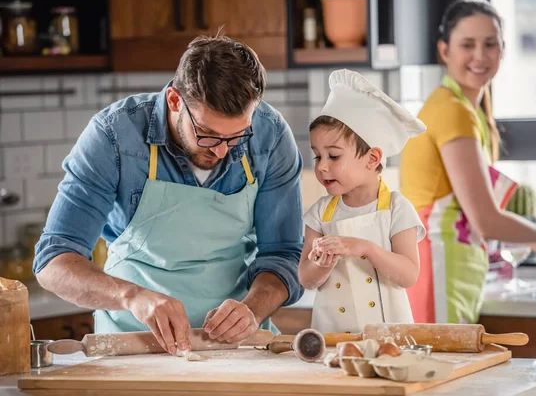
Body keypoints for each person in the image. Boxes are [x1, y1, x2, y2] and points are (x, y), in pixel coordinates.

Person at [33, 34, 305, 355]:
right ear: (175, 101)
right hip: (132, 345)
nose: (220, 151)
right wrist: (132, 297)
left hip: (237, 346)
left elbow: (285, 254)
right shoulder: (113, 136)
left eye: (235, 137)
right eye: (206, 134)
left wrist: (252, 310)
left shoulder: (270, 133)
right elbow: (54, 261)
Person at [400, 0, 536, 325]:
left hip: (452, 274)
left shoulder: (464, 110)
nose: (480, 56)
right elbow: (485, 219)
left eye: (490, 44)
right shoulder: (453, 112)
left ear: (503, 49)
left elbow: (469, 214)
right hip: (437, 274)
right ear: (445, 51)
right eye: (467, 45)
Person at [298, 69, 427, 333]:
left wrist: (366, 248)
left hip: (389, 341)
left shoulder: (397, 209)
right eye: (317, 156)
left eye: (333, 156)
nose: (321, 167)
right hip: (332, 339)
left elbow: (409, 275)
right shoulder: (319, 214)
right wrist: (321, 264)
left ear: (372, 158)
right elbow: (306, 279)